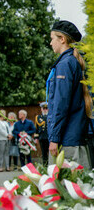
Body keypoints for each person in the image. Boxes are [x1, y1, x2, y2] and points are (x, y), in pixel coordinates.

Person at [47, 21, 93, 169]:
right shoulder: (72, 62)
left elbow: (61, 105)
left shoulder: (64, 64)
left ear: (62, 39)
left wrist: (54, 138)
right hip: (73, 138)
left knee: (66, 188)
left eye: (52, 38)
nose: (50, 43)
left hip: (66, 142)